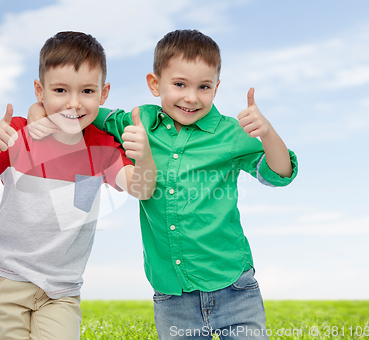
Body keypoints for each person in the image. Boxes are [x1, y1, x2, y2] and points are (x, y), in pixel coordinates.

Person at [27, 29, 298, 339]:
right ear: (155, 84)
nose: (191, 97)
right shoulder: (137, 121)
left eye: (204, 86)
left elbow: (279, 174)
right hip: (171, 293)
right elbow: (77, 114)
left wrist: (268, 133)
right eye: (179, 84)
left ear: (216, 88)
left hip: (233, 286)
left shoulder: (230, 133)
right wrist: (37, 113)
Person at [0, 31, 156, 340]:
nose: (73, 103)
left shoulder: (102, 147)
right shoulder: (17, 135)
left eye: (86, 91)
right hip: (6, 279)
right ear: (39, 91)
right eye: (60, 90)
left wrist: (145, 156)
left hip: (61, 290)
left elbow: (142, 189)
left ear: (104, 93)